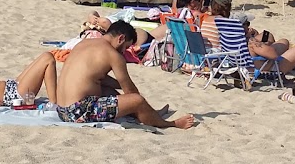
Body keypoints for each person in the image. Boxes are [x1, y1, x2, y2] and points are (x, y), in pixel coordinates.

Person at [53, 21, 196, 128]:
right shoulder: (113, 55)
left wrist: (117, 87)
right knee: (136, 101)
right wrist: (137, 101)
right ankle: (169, 124)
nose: (124, 51)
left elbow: (95, 77)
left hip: (62, 109)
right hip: (77, 113)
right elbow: (131, 92)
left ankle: (149, 113)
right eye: (126, 47)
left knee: (110, 92)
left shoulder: (83, 44)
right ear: (120, 38)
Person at [240, 16, 295, 82]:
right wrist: (261, 44)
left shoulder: (233, 40)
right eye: (247, 24)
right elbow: (273, 55)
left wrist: (255, 36)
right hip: (268, 68)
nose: (249, 26)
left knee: (283, 41)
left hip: (250, 65)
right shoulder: (252, 43)